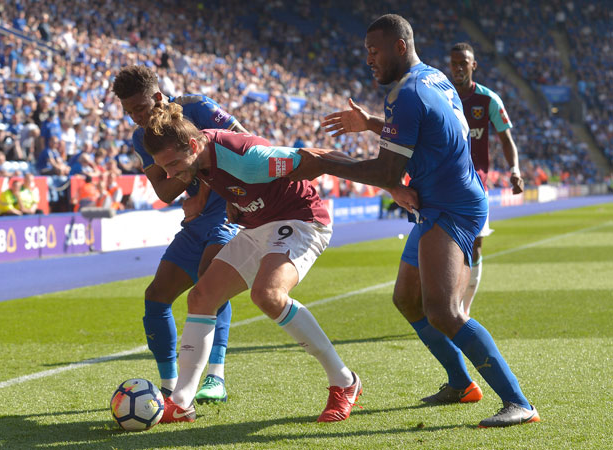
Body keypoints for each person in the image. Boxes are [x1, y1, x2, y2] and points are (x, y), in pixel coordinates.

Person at [295, 14, 539, 428]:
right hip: (438, 198)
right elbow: (430, 131)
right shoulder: (432, 78)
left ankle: (519, 402)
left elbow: (388, 173)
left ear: (399, 47)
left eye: (374, 51)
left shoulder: (407, 95)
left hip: (452, 206)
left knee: (443, 310)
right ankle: (461, 383)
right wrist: (372, 124)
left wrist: (327, 163)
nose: (368, 59)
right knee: (407, 300)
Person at [143, 102, 366, 423]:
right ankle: (180, 401)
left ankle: (345, 382)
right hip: (257, 225)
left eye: (174, 164)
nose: (170, 175)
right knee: (202, 296)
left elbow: (320, 157)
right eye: (165, 167)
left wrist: (389, 184)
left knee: (268, 295)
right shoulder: (199, 152)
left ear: (193, 145)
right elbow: (219, 175)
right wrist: (237, 202)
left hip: (301, 219)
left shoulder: (248, 158)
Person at [112, 65, 248, 404]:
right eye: (129, 112)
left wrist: (205, 184)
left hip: (228, 206)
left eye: (140, 109)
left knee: (209, 281)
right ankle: (170, 386)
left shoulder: (198, 107)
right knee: (156, 297)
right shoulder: (140, 138)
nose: (135, 118)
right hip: (198, 218)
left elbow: (244, 142)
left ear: (158, 97)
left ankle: (214, 378)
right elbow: (164, 190)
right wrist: (192, 179)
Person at [449, 42, 525, 315]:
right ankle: (444, 302)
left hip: (475, 184)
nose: (458, 67)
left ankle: (463, 310)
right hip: (444, 181)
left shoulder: (488, 99)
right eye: (454, 62)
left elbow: (506, 138)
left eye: (463, 62)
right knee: (442, 244)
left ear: (473, 65)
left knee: (476, 244)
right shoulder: (441, 96)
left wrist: (514, 170)